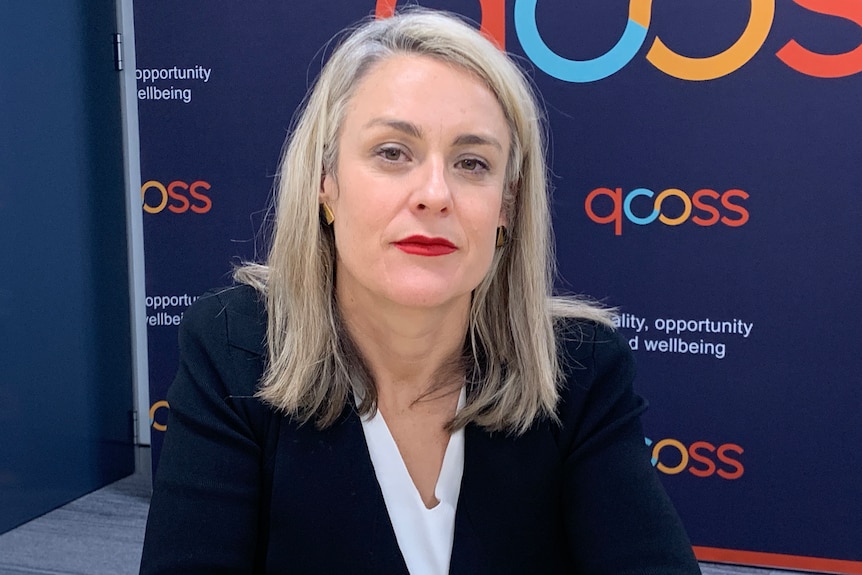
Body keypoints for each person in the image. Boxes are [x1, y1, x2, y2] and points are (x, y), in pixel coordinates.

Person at [140, 8, 701, 575]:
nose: (435, 194)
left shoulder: (580, 371)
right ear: (325, 184)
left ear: (506, 208)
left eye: (472, 162)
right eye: (392, 153)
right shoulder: (234, 350)